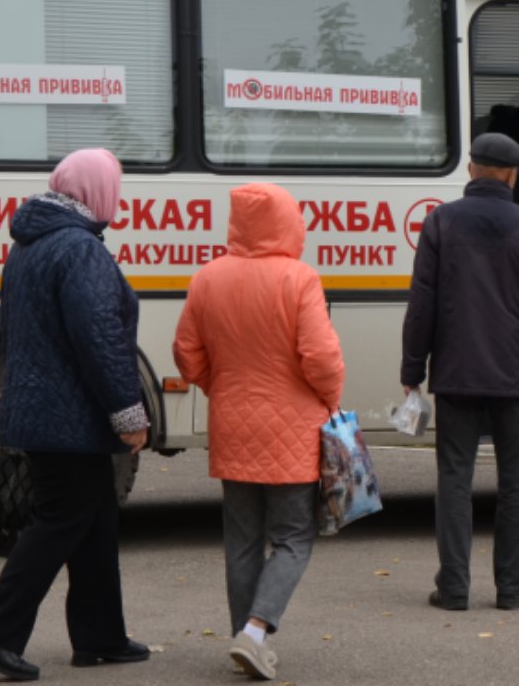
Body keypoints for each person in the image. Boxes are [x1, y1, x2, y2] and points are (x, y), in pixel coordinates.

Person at [0, 148, 152, 682]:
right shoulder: (79, 250)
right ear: (96, 192)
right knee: (62, 520)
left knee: (94, 520)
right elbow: (101, 341)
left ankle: (100, 636)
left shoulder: (30, 246)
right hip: (71, 419)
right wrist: (128, 413)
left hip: (41, 410)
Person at [172, 182, 345, 682]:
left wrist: (220, 387)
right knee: (294, 536)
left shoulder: (207, 277)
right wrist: (328, 399)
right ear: (288, 222)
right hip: (292, 427)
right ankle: (254, 631)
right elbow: (321, 358)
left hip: (232, 423)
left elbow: (187, 354)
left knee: (242, 539)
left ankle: (243, 637)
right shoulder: (299, 278)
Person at [400, 132, 519, 612]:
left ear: (471, 169)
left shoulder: (441, 222)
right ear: (513, 175)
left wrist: (413, 367)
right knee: (515, 483)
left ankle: (453, 588)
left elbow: (422, 302)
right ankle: (513, 590)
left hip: (455, 375)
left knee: (454, 479)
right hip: (515, 381)